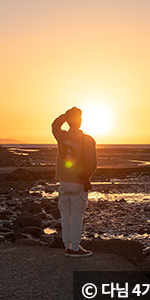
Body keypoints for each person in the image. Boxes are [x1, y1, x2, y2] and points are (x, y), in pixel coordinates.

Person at [52, 107, 97, 257]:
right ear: (80, 121)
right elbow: (92, 165)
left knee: (65, 216)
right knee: (77, 216)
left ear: (69, 121)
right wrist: (86, 175)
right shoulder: (87, 140)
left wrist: (65, 116)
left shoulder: (61, 137)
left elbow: (55, 125)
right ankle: (76, 248)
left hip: (64, 181)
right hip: (78, 181)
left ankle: (68, 246)